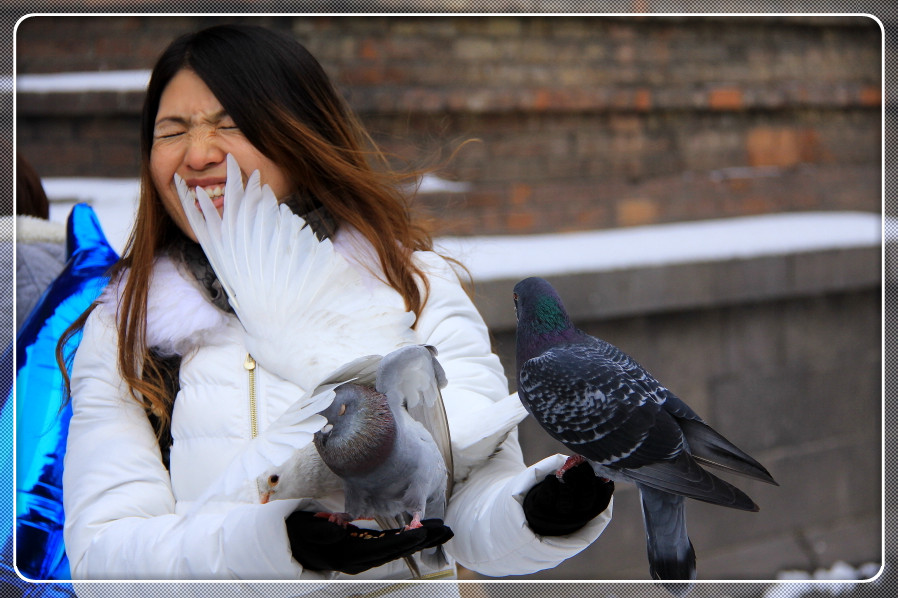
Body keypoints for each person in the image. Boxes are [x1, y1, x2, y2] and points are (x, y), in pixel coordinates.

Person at [59, 24, 613, 586]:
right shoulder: (126, 329)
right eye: (171, 131)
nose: (199, 154)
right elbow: (104, 558)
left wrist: (534, 513)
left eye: (232, 125)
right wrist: (278, 544)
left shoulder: (411, 286)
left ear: (298, 139)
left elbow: (464, 502)